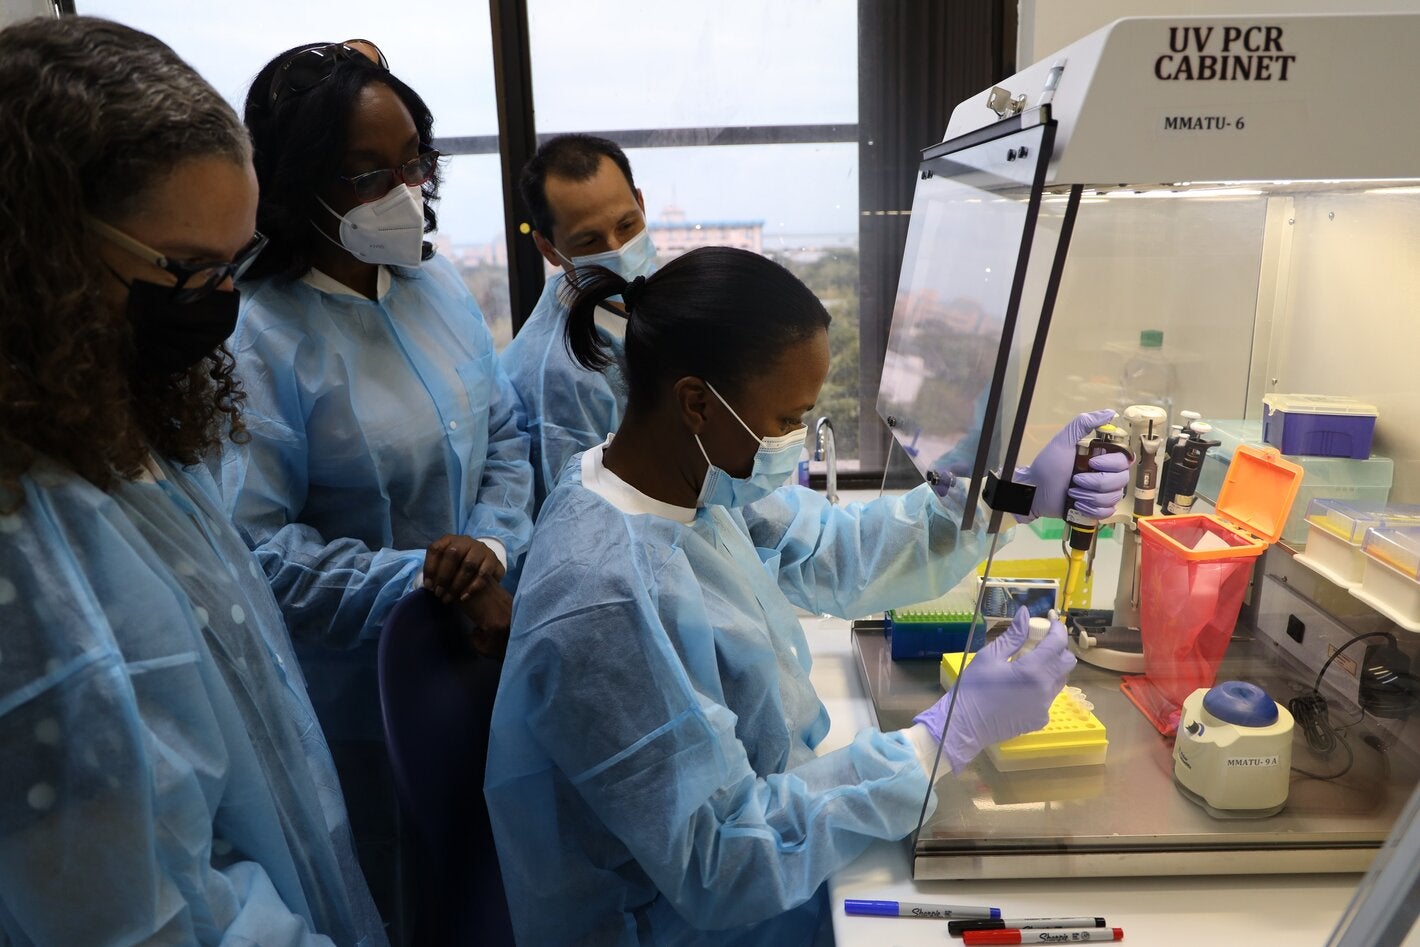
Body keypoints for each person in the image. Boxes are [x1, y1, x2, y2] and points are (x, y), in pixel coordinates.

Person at [485, 247, 1132, 944]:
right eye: (787, 418)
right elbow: (722, 860)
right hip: (667, 925)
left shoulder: (675, 478)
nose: (795, 440)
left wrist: (1013, 497)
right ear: (696, 401)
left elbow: (832, 550)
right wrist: (941, 737)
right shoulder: (604, 597)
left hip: (758, 862)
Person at [0, 17, 384, 945]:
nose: (220, 304)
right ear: (41, 249)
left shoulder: (117, 407)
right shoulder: (26, 534)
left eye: (235, 265)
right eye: (189, 269)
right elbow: (139, 909)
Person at [221, 40, 534, 933]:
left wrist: (493, 551)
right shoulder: (258, 338)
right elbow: (258, 552)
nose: (402, 193)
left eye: (414, 163)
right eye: (367, 176)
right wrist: (432, 582)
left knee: (491, 883)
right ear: (293, 186)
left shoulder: (435, 286)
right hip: (357, 696)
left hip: (488, 650)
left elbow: (503, 432)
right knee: (396, 893)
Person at [500, 134, 658, 513]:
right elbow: (589, 524)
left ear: (641, 203)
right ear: (547, 248)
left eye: (627, 225)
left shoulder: (639, 300)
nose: (618, 248)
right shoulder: (559, 376)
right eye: (589, 241)